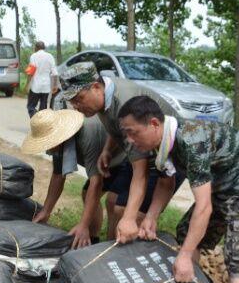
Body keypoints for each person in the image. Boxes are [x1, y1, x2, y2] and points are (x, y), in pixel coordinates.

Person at [117, 95, 239, 283]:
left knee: (237, 255)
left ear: (154, 124)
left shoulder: (192, 140)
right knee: (186, 232)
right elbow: (166, 181)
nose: (129, 140)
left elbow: (204, 207)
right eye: (125, 133)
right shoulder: (163, 142)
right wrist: (150, 217)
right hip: (224, 183)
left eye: (132, 132)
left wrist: (184, 255)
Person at [58, 61, 183, 242]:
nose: (76, 106)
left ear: (95, 87)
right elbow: (115, 125)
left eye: (78, 99)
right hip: (142, 149)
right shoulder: (102, 100)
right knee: (112, 201)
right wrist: (108, 149)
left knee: (127, 213)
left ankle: (127, 261)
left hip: (167, 156)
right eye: (72, 102)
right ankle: (110, 252)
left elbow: (141, 173)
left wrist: (130, 218)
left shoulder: (125, 104)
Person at [23, 109, 122, 248]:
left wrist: (83, 224)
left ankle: (111, 248)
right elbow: (58, 175)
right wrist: (46, 211)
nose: (47, 147)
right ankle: (91, 241)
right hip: (106, 164)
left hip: (123, 158)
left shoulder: (88, 133)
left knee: (114, 202)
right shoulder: (58, 146)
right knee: (87, 194)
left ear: (58, 136)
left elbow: (96, 182)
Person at [26, 41, 58, 117]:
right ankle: (41, 123)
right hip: (46, 87)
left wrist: (27, 85)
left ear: (36, 48)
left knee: (31, 106)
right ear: (44, 48)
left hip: (35, 86)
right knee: (43, 109)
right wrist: (55, 86)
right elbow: (55, 73)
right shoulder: (50, 56)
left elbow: (31, 72)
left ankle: (35, 119)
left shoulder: (33, 56)